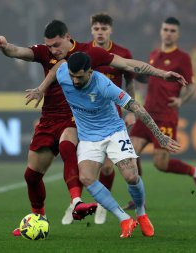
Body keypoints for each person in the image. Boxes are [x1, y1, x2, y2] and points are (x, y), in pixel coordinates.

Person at [0, 20, 186, 236]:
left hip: (95, 124)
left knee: (121, 172)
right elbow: (40, 61)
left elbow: (130, 67)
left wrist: (162, 74)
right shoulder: (60, 64)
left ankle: (128, 211)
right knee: (53, 176)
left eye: (56, 45)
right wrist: (38, 85)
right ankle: (119, 219)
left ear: (67, 37)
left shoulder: (94, 61)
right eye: (50, 47)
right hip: (69, 125)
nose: (53, 51)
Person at [57, 52, 181, 238]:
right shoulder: (62, 74)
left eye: (79, 77)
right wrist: (41, 88)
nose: (74, 81)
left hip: (114, 132)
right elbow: (54, 69)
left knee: (131, 177)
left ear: (90, 71)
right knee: (86, 178)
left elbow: (136, 107)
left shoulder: (104, 85)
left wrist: (160, 136)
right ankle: (124, 218)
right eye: (72, 76)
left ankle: (141, 213)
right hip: (89, 137)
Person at [125, 17, 196, 210]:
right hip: (146, 113)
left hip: (165, 116)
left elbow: (191, 87)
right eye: (165, 29)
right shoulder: (154, 54)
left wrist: (181, 100)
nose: (168, 33)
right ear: (161, 31)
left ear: (177, 34)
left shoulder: (183, 57)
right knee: (130, 155)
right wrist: (136, 75)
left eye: (172, 30)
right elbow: (152, 79)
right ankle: (139, 199)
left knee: (161, 164)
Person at [61, 13, 136, 225]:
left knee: (108, 167)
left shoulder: (122, 53)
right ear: (91, 30)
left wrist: (130, 111)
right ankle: (77, 200)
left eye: (104, 29)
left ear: (110, 30)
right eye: (96, 29)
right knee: (79, 157)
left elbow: (129, 83)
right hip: (84, 115)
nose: (100, 32)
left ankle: (104, 205)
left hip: (112, 117)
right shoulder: (83, 53)